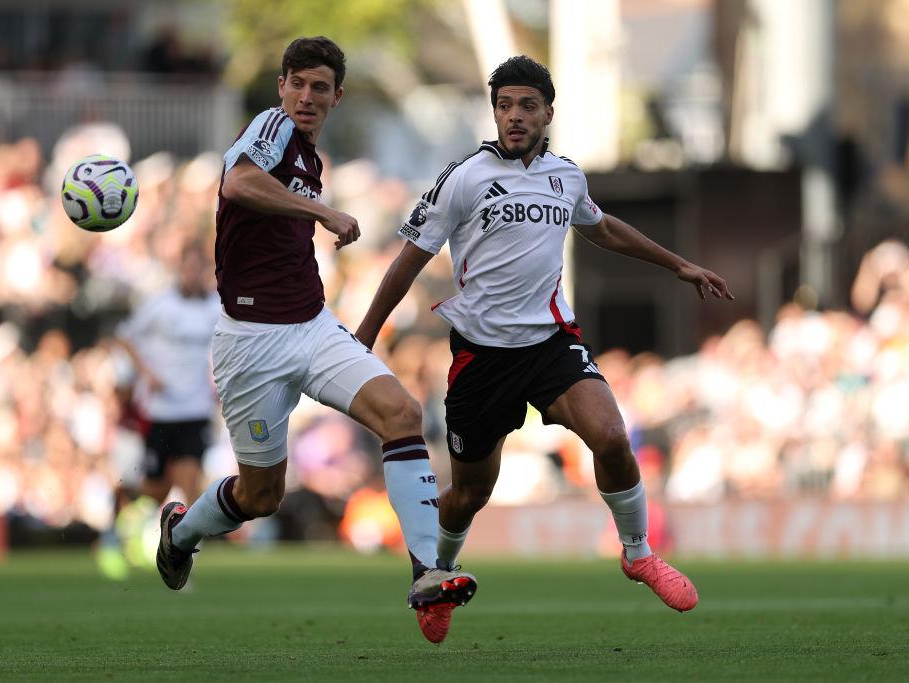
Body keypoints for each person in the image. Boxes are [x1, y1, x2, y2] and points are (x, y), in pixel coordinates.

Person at [356, 56, 736, 621]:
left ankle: (638, 554)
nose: (514, 116)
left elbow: (601, 226)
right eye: (504, 106)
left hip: (550, 343)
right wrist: (362, 336)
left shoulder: (566, 175)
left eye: (526, 106)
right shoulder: (464, 177)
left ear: (547, 113)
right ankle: (437, 581)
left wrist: (678, 265)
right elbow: (409, 261)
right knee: (470, 495)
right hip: (480, 356)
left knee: (610, 435)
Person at [154, 36, 475, 644]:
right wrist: (320, 211)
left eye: (319, 87)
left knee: (403, 414)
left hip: (312, 326)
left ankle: (430, 571)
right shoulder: (271, 128)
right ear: (281, 87)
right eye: (297, 83)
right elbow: (238, 183)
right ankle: (181, 534)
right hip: (249, 342)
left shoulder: (309, 156)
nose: (306, 96)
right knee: (261, 495)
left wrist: (312, 208)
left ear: (337, 96)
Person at [98, 243, 221, 578]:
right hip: (161, 410)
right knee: (156, 491)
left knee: (192, 486)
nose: (193, 273)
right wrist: (146, 373)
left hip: (194, 409)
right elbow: (124, 337)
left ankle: (181, 558)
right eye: (188, 267)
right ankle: (118, 526)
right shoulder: (160, 305)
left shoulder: (215, 307)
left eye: (199, 267)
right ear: (179, 269)